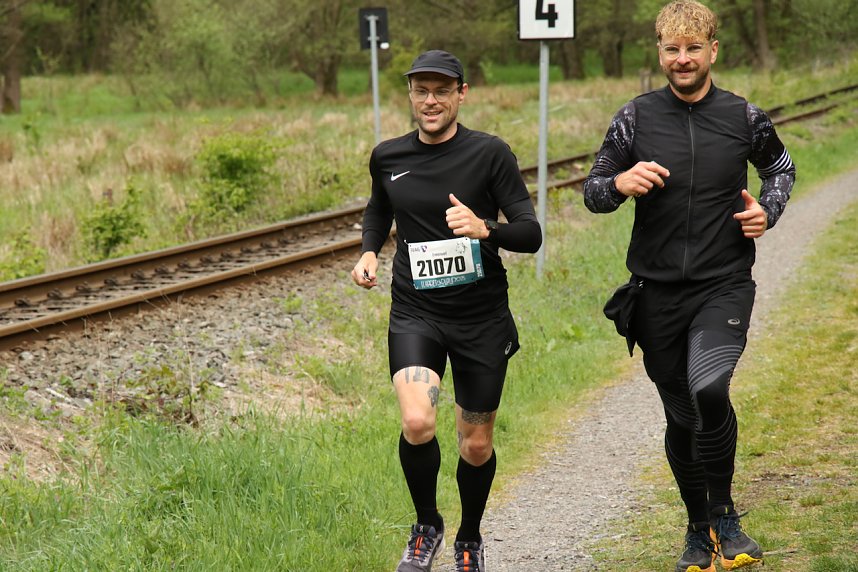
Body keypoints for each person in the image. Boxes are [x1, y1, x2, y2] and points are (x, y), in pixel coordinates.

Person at [583, 2, 795, 571]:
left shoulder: (744, 117)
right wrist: (620, 182)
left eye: (693, 48)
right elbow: (593, 191)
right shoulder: (634, 118)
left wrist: (767, 210)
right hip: (655, 294)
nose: (683, 59)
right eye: (672, 49)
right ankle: (698, 530)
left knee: (709, 387)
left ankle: (725, 515)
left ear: (713, 51)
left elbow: (781, 168)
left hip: (723, 283)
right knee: (681, 416)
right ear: (659, 52)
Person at [351, 49, 542, 572]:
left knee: (475, 445)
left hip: (481, 318)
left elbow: (530, 233)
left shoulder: (490, 154)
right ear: (410, 96)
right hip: (417, 312)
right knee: (417, 420)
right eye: (421, 91)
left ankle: (470, 538)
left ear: (462, 94)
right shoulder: (388, 156)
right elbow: (379, 209)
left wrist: (486, 229)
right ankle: (427, 526)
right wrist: (369, 251)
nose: (430, 101)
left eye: (441, 91)